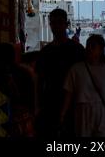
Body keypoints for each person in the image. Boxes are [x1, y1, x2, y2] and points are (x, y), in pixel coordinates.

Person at [60, 34, 105, 137]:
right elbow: (69, 94)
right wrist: (62, 115)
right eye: (88, 46)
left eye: (93, 46)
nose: (89, 49)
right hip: (82, 112)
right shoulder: (76, 69)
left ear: (101, 50)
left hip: (103, 112)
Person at [35, 8, 85, 137]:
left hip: (75, 104)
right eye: (53, 23)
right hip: (51, 104)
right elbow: (39, 80)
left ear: (66, 24)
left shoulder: (77, 49)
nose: (56, 26)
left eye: (60, 22)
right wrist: (38, 105)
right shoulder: (45, 52)